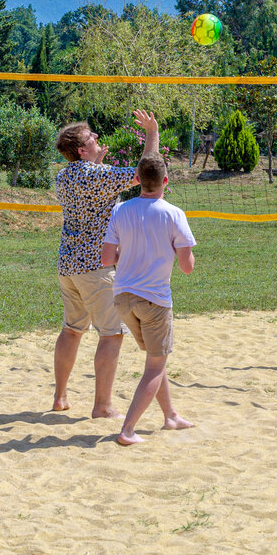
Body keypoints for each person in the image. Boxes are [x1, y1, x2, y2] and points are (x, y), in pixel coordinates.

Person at [52, 109, 159, 417]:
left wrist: (95, 165)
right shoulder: (97, 176)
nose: (96, 136)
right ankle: (103, 406)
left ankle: (60, 397)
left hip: (68, 266)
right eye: (90, 137)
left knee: (72, 330)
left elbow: (90, 193)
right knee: (111, 334)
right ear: (82, 150)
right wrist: (151, 134)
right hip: (94, 269)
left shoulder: (63, 176)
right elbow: (145, 173)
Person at [101, 155, 197, 445]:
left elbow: (107, 258)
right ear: (165, 181)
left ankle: (170, 415)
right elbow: (187, 266)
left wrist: (130, 257)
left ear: (138, 181)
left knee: (156, 357)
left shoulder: (120, 210)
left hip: (123, 297)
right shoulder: (174, 214)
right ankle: (128, 430)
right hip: (154, 299)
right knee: (155, 365)